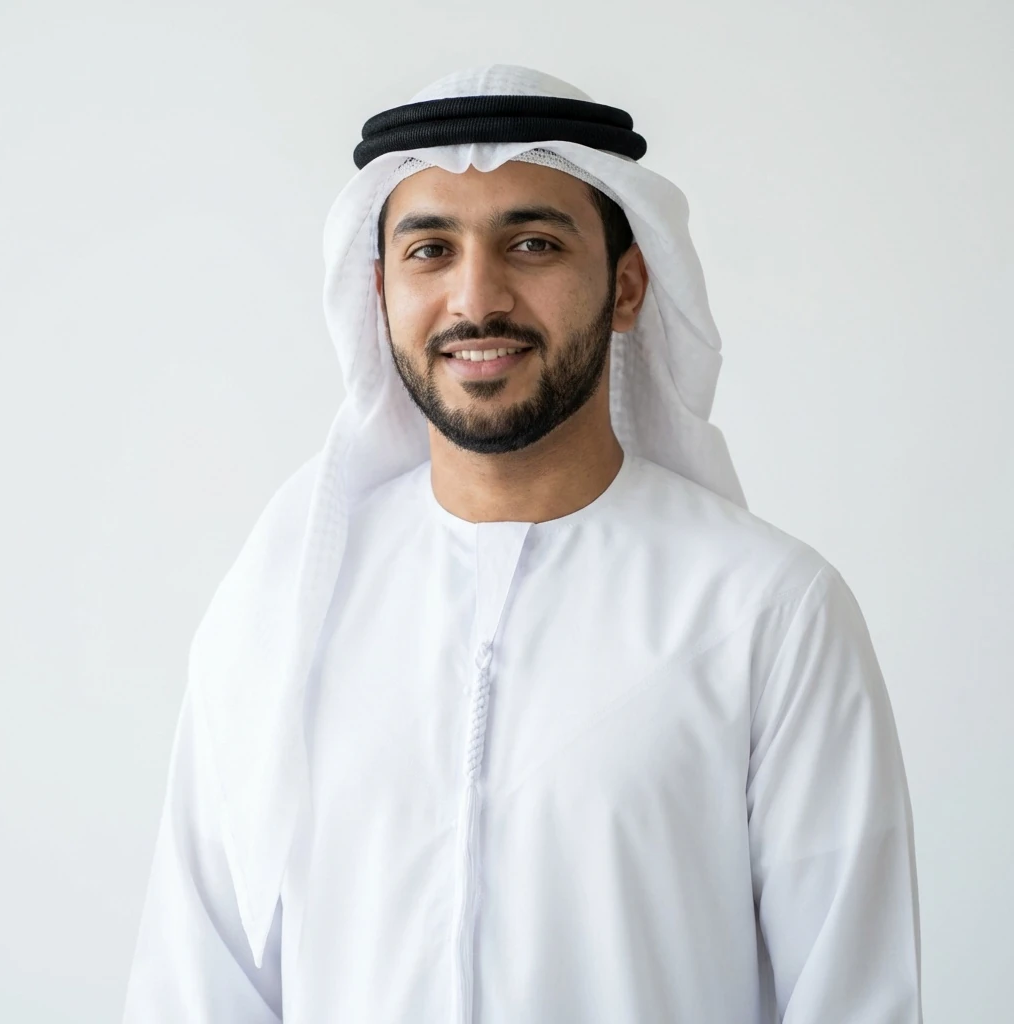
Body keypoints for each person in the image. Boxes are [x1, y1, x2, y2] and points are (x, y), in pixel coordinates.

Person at [123, 65, 922, 1023]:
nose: (477, 298)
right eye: (430, 250)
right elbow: (196, 984)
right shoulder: (280, 613)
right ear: (380, 294)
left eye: (533, 244)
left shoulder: (769, 613)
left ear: (627, 287)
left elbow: (852, 997)